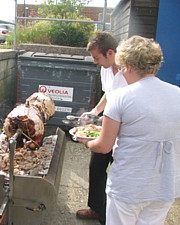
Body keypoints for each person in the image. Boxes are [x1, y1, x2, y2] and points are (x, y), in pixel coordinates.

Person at [78, 35, 180, 225]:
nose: (122, 72)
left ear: (129, 65)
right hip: (165, 187)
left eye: (123, 67)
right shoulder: (177, 93)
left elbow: (103, 146)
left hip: (129, 187)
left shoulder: (120, 97)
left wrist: (86, 141)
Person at [76, 31, 127, 225]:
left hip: (125, 130)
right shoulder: (105, 69)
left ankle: (113, 218)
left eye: (97, 57)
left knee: (118, 173)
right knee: (96, 167)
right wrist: (94, 112)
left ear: (111, 53)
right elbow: (108, 94)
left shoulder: (129, 71)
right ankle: (96, 208)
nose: (95, 62)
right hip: (107, 124)